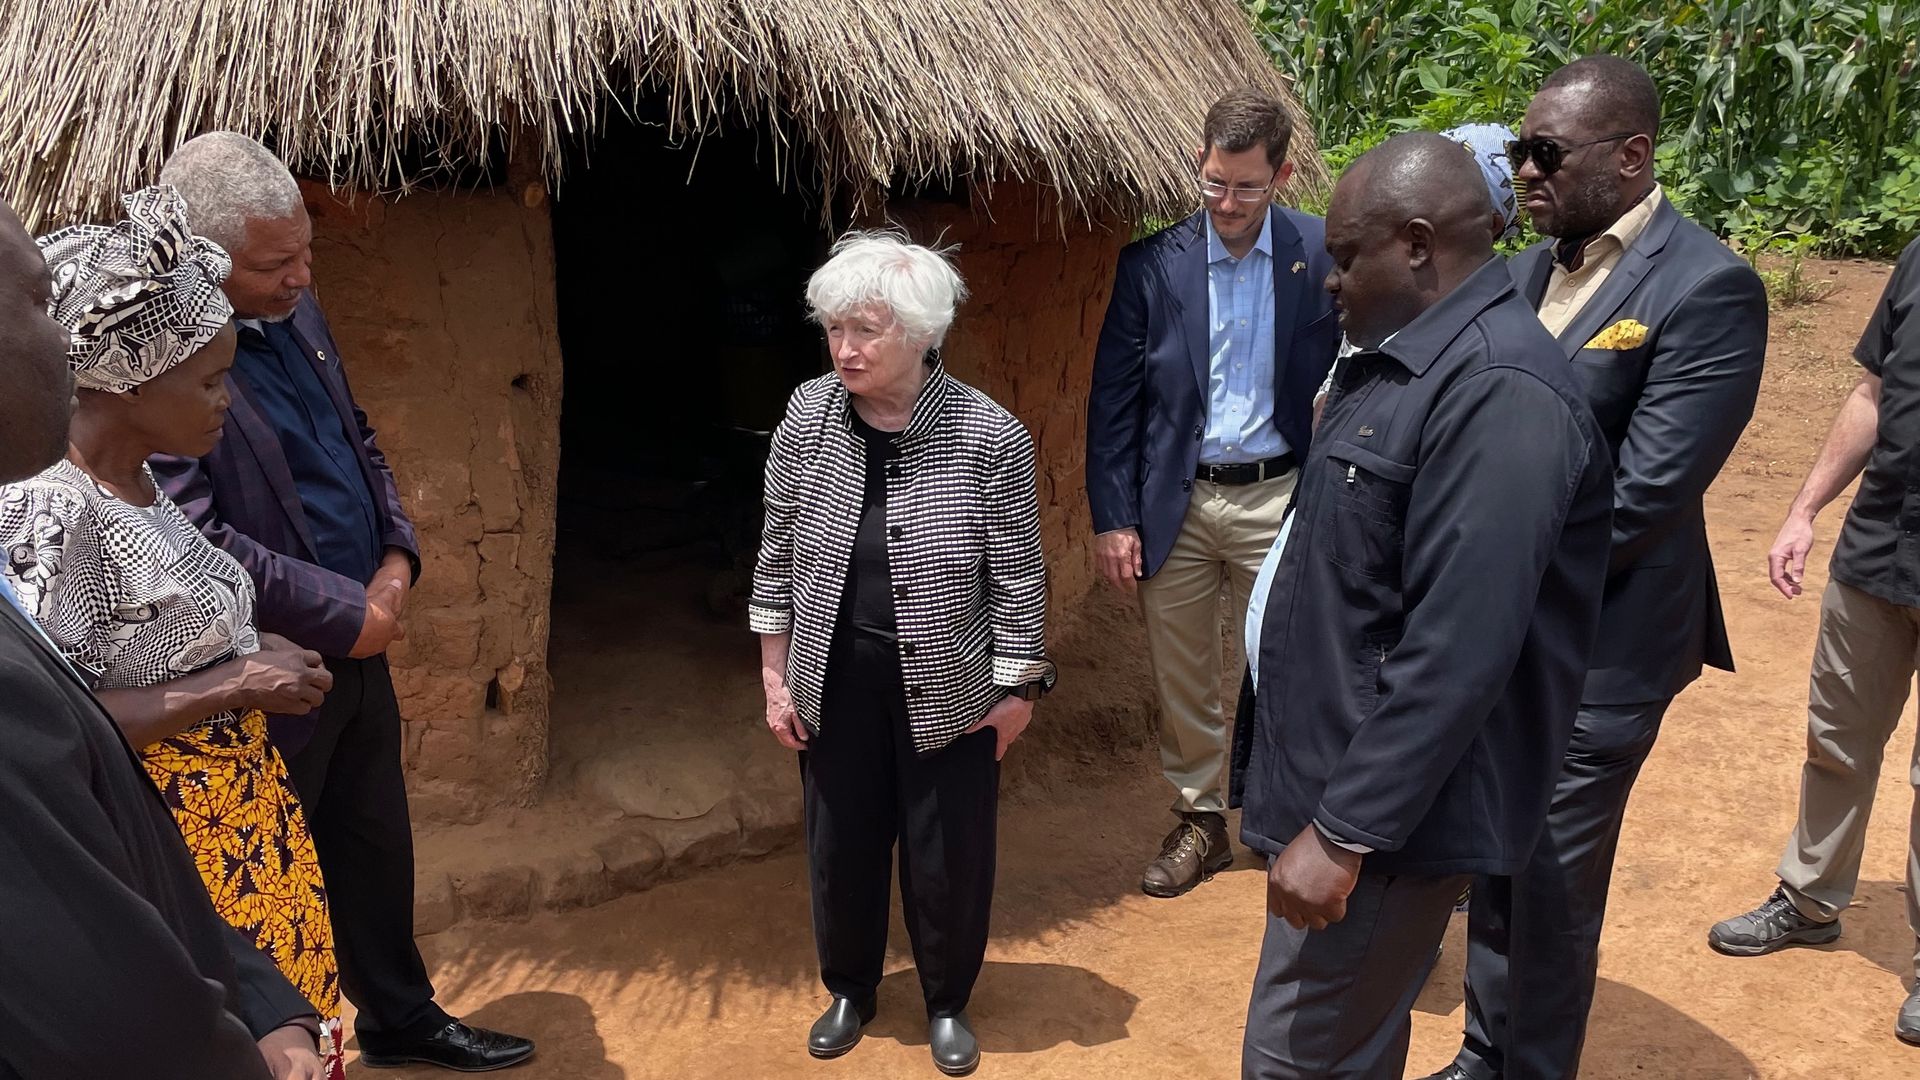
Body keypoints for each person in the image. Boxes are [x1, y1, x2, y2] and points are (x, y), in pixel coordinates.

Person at [149, 132, 535, 1071]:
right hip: (269, 672)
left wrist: (397, 558)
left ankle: (398, 1016)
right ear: (206, 258)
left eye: (306, 253)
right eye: (277, 264)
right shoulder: (164, 360)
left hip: (361, 642)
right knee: (275, 881)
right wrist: (343, 612)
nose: (301, 277)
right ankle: (285, 1054)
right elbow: (192, 534)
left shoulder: (298, 310)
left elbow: (357, 436)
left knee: (374, 848)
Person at [1234, 132, 1613, 1080]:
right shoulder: (1403, 363)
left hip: (1389, 825)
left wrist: (1344, 829)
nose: (1329, 280)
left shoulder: (1497, 391)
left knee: (1300, 1060)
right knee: (1341, 1044)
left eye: (1344, 256)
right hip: (1347, 791)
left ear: (1414, 244)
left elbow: (1458, 647)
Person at [1420, 57, 1768, 1080]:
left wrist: (1470, 568)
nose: (1522, 172)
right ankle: (1489, 1049)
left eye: (1545, 154)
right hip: (1508, 636)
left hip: (1604, 649)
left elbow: (1643, 498)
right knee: (1496, 851)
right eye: (1519, 152)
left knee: (1554, 876)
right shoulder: (1531, 271)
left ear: (1630, 156)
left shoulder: (1708, 287)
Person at [2, 185, 346, 1076]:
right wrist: (235, 683)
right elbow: (65, 731)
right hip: (176, 848)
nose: (228, 400)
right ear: (126, 382)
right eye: (209, 378)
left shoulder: (143, 489)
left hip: (247, 831)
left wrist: (248, 654)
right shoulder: (53, 518)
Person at [752, 231, 1055, 1077]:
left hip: (951, 683)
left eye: (867, 331)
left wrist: (1019, 689)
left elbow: (1019, 571)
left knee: (946, 851)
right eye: (835, 329)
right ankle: (849, 986)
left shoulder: (986, 434)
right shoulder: (807, 417)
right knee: (839, 843)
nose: (845, 349)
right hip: (832, 675)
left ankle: (947, 1000)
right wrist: (776, 675)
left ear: (922, 334)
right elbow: (776, 548)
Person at [1087, 88, 1338, 899]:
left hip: (1283, 495)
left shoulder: (1322, 255)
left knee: (1290, 659)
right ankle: (1201, 819)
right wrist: (1114, 517)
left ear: (1283, 175)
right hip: (1180, 502)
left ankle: (1289, 815)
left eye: (1247, 187)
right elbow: (1113, 402)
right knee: (1183, 668)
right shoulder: (1152, 266)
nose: (1228, 203)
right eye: (1213, 184)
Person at [1706, 234, 1920, 1044]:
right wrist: (1806, 508)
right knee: (1837, 738)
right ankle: (1808, 900)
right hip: (1878, 550)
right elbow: (1872, 390)